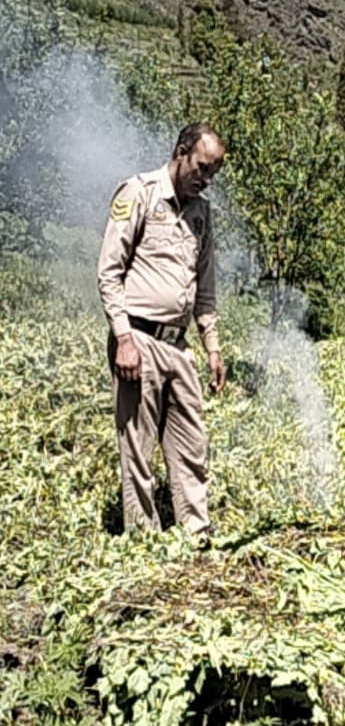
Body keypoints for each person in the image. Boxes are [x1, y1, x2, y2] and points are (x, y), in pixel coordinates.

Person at [97, 122, 226, 540]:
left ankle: (196, 532)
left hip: (178, 345)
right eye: (202, 168)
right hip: (139, 340)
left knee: (192, 442)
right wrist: (124, 338)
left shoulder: (202, 213)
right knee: (139, 446)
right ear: (181, 152)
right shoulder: (139, 193)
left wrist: (212, 346)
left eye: (214, 173)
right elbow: (109, 272)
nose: (206, 179)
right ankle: (143, 538)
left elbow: (205, 286)